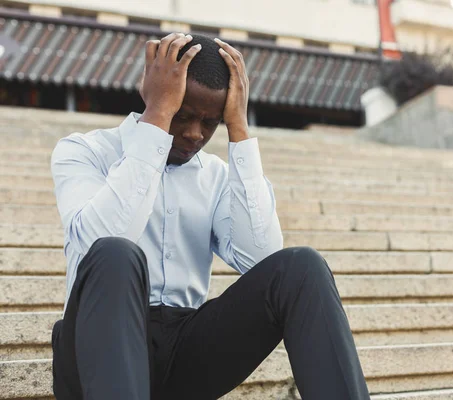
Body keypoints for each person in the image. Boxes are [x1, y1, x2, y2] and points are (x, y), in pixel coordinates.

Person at [50, 32, 370, 400]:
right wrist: (157, 117)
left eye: (210, 122)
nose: (193, 133)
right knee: (116, 254)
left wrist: (239, 129)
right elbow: (96, 245)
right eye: (181, 115)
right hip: (96, 346)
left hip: (184, 351)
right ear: (154, 94)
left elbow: (263, 261)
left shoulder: (215, 176)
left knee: (302, 267)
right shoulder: (84, 151)